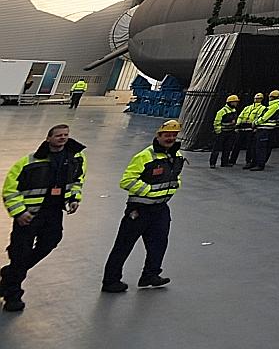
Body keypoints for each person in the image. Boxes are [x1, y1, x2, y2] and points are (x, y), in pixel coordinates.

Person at [1, 124, 86, 312]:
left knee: (50, 241)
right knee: (20, 252)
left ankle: (10, 274)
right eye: (58, 135)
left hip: (54, 212)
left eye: (65, 135)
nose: (62, 138)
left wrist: (74, 198)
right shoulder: (29, 162)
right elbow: (9, 189)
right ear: (48, 138)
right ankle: (12, 295)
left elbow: (77, 181)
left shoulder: (76, 158)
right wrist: (19, 212)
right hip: (29, 215)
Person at [101, 119, 185, 293]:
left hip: (161, 209)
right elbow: (127, 181)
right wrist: (148, 191)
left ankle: (150, 275)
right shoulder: (145, 156)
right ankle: (111, 281)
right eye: (167, 135)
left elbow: (174, 176)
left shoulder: (176, 156)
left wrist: (176, 185)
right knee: (124, 245)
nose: (170, 138)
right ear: (159, 136)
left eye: (173, 135)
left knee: (159, 243)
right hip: (139, 209)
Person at [248, 90, 279, 172]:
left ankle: (260, 164)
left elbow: (265, 117)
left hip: (265, 130)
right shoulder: (273, 106)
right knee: (259, 147)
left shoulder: (274, 106)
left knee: (261, 147)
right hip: (265, 129)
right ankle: (256, 162)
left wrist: (256, 122)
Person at [233, 92, 264, 167]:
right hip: (242, 128)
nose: (256, 100)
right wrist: (237, 125)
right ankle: (232, 160)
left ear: (261, 99)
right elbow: (241, 116)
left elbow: (259, 117)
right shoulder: (247, 107)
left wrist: (255, 126)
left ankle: (248, 161)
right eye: (256, 98)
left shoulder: (262, 108)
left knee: (249, 147)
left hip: (250, 129)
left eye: (258, 98)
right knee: (237, 145)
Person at [210, 95, 241, 168]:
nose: (236, 103)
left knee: (227, 148)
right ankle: (212, 163)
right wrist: (218, 132)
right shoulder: (222, 111)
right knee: (216, 149)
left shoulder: (234, 111)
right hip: (222, 133)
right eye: (235, 102)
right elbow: (216, 122)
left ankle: (225, 162)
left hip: (230, 132)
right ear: (230, 102)